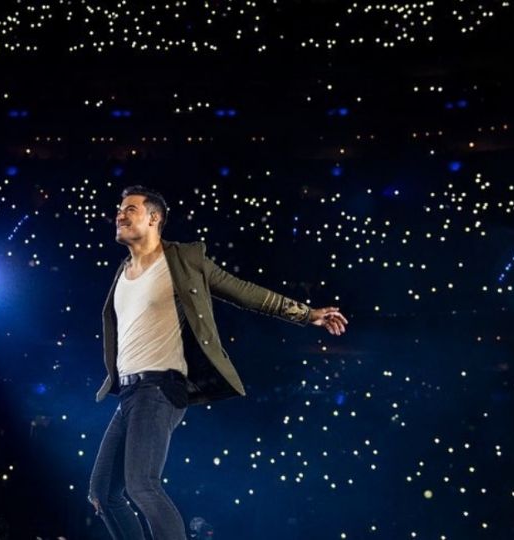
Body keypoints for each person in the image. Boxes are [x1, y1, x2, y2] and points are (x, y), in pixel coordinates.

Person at [87, 185, 348, 539]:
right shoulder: (122, 271)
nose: (120, 214)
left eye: (130, 209)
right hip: (129, 394)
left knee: (142, 486)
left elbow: (245, 293)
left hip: (160, 387)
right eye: (119, 209)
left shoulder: (183, 260)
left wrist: (306, 314)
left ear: (154, 218)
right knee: (103, 494)